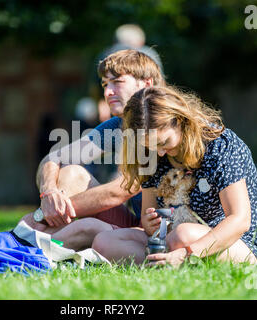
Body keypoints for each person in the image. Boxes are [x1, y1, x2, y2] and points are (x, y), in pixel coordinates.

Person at [91, 86, 257, 266]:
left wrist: (186, 253)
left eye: (164, 142)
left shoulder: (220, 146)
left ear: (179, 120)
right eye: (151, 146)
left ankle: (175, 260)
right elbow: (151, 221)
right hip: (176, 239)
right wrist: (151, 224)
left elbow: (239, 221)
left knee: (183, 235)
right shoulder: (152, 154)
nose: (159, 153)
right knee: (104, 241)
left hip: (243, 242)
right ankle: (165, 262)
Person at [19, 50, 166, 251]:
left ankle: (29, 241)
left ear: (146, 84)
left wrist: (43, 215)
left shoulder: (163, 122)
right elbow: (53, 158)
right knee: (71, 174)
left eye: (117, 82)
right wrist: (49, 193)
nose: (107, 92)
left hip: (172, 231)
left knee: (86, 228)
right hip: (140, 226)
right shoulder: (118, 124)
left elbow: (121, 191)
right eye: (105, 84)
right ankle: (33, 242)